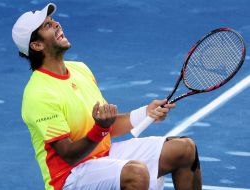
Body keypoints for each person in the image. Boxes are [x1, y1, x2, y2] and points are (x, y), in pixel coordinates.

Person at [12, 3, 202, 190]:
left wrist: (146, 113)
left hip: (102, 155)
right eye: (47, 25)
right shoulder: (39, 93)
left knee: (184, 149)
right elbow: (68, 155)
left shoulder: (80, 69)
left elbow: (106, 126)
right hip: (69, 176)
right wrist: (100, 129)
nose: (56, 24)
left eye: (53, 20)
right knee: (136, 174)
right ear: (36, 45)